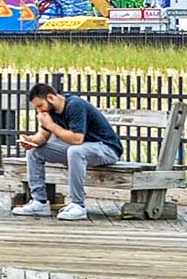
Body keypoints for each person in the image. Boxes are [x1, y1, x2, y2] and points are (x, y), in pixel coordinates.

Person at [15, 78, 124, 218]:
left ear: (51, 97)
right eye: (36, 108)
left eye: (40, 105)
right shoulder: (50, 111)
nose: (39, 110)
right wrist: (31, 141)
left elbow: (77, 139)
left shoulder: (74, 105)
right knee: (35, 151)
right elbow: (42, 136)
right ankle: (39, 202)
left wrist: (51, 125)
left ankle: (78, 205)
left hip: (106, 149)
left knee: (75, 151)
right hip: (82, 148)